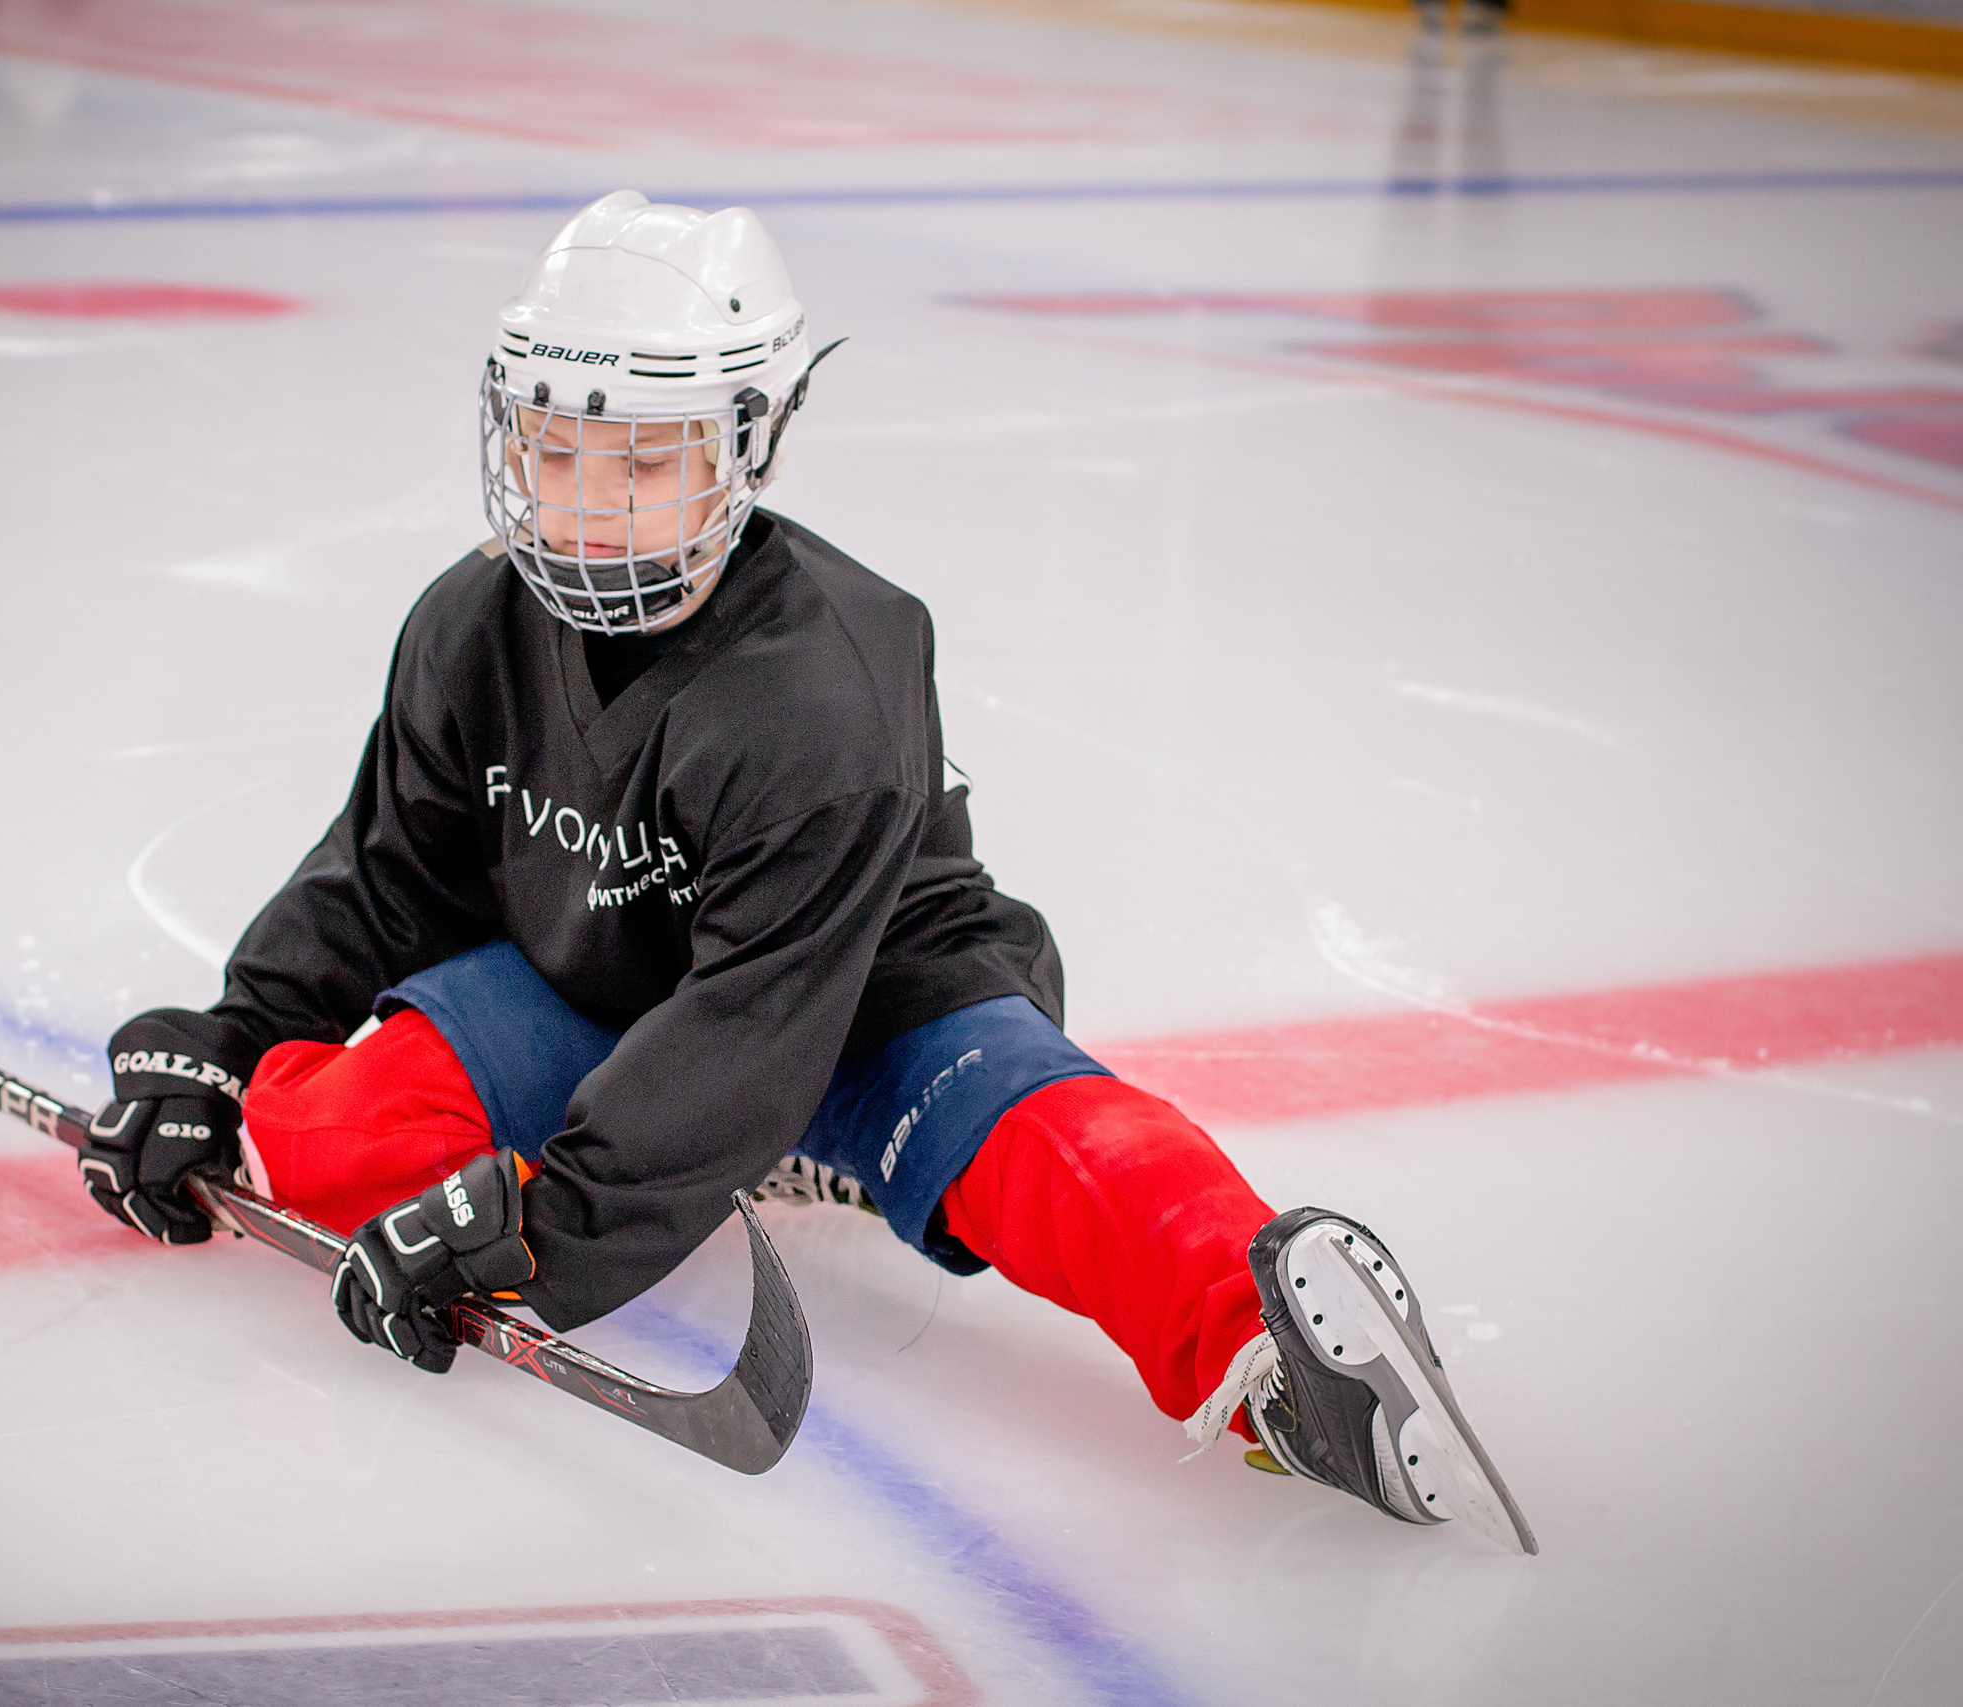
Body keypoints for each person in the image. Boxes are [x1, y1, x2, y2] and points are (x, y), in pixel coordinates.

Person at [77, 191, 1534, 1554]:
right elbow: (388, 877)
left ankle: (1273, 1359)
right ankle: (695, 1158)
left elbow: (757, 1028)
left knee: (1065, 1161)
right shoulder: (470, 624)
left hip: (863, 1001)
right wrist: (229, 1041)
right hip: (603, 981)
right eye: (555, 444)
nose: (588, 501)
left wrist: (551, 1239)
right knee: (329, 1140)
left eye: (645, 456)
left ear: (747, 443)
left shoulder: (825, 678)